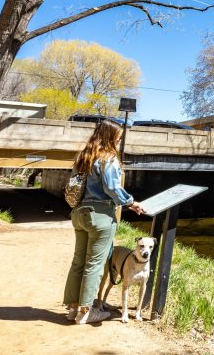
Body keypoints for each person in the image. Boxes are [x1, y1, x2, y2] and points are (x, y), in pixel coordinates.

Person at [63, 120, 145, 324]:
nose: (120, 141)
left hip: (79, 213)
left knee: (78, 262)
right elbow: (111, 187)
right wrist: (131, 202)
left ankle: (73, 308)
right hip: (100, 215)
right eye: (118, 137)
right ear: (110, 137)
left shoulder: (83, 157)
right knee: (95, 264)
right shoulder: (108, 158)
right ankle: (86, 311)